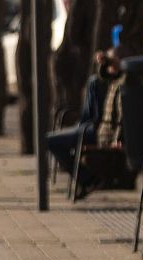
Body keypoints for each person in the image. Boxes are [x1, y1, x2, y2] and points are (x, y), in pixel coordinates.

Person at [47, 47, 123, 179]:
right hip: (95, 127)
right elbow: (103, 75)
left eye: (112, 62)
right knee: (93, 81)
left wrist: (118, 138)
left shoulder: (123, 84)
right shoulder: (108, 81)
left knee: (47, 141)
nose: (108, 66)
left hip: (100, 131)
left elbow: (122, 118)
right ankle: (84, 177)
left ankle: (85, 178)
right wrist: (104, 63)